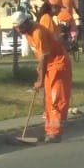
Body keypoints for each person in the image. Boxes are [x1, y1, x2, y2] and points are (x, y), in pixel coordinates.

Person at [12, 10, 72, 144]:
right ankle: (49, 130)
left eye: (20, 27)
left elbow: (44, 56)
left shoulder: (37, 32)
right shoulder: (27, 33)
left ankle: (55, 133)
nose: (18, 30)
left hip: (59, 65)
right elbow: (41, 56)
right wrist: (40, 69)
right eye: (16, 27)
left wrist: (40, 79)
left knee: (57, 100)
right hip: (49, 65)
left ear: (26, 23)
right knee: (49, 100)